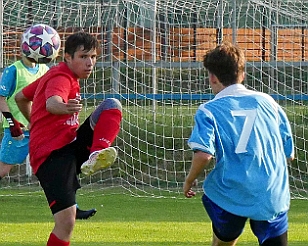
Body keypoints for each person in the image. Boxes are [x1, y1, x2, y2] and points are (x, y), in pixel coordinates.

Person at [15, 31, 122, 246]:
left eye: (93, 57)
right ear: (67, 57)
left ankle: (96, 153)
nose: (90, 63)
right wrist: (63, 108)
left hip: (69, 145)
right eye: (83, 57)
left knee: (111, 106)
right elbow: (52, 103)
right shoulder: (61, 77)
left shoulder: (54, 74)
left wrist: (34, 123)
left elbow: (20, 97)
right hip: (51, 155)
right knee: (66, 223)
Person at [183, 42, 294, 246]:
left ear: (212, 76)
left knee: (223, 238)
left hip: (230, 193)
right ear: (241, 74)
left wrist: (189, 180)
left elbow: (203, 155)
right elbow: (289, 154)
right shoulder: (269, 102)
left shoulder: (209, 110)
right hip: (270, 194)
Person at [0, 29, 94, 221]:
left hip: (41, 131)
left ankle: (71, 207)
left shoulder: (46, 71)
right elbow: (5, 98)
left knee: (62, 165)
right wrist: (12, 122)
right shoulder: (14, 70)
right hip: (18, 129)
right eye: (35, 44)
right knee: (4, 168)